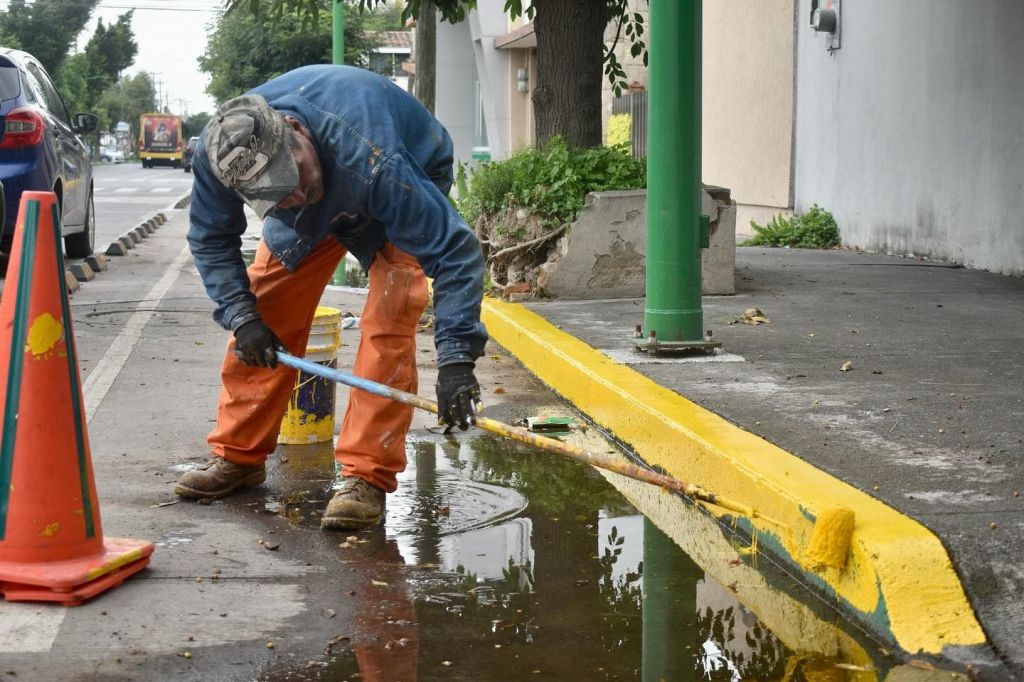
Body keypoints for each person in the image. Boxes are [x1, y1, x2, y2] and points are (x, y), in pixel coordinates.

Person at [174, 65, 488, 531]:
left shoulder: (375, 157)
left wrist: (457, 359)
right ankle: (239, 455)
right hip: (331, 189)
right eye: (279, 193)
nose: (300, 193)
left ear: (296, 130)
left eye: (296, 175)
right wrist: (242, 318)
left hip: (402, 171)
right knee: (265, 305)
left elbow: (455, 251)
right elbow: (210, 238)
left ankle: (366, 476)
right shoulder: (219, 158)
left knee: (391, 313)